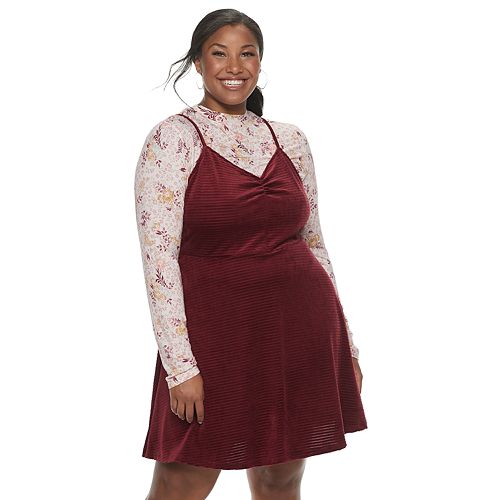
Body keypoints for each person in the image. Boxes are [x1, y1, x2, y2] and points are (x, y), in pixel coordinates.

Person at [134, 8, 367, 500]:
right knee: (181, 481)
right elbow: (159, 261)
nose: (234, 67)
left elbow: (315, 244)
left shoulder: (290, 139)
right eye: (219, 53)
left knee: (281, 477)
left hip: (299, 329)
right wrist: (181, 366)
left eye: (247, 54)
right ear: (197, 62)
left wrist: (346, 346)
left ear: (261, 62)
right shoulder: (173, 139)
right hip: (214, 336)